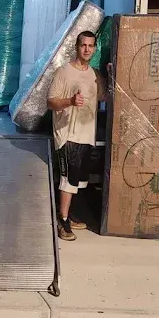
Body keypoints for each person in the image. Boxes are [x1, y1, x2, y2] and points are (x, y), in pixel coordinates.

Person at [47, 31, 106, 241]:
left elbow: (105, 95)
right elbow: (51, 102)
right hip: (67, 135)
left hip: (86, 134)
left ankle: (67, 215)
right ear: (76, 47)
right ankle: (62, 221)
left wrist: (111, 72)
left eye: (91, 46)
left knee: (78, 181)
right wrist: (70, 102)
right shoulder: (64, 72)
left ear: (95, 48)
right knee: (67, 180)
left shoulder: (95, 75)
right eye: (83, 45)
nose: (87, 49)